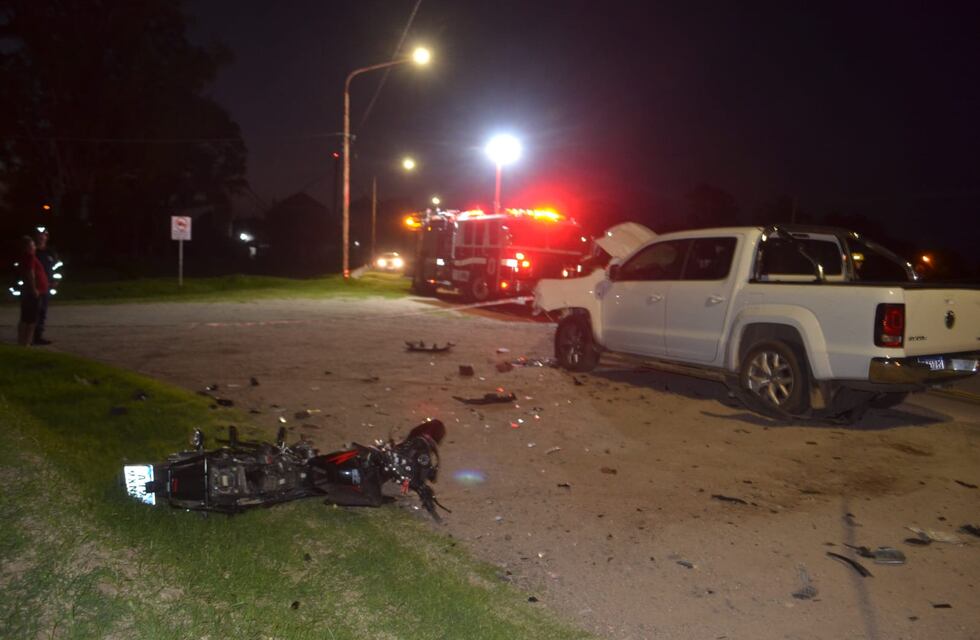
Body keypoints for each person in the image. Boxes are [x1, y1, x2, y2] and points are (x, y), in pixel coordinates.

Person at [15, 235, 49, 346]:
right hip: (32, 293)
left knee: (26, 318)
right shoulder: (29, 257)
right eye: (32, 245)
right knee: (30, 320)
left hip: (33, 291)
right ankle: (26, 343)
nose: (34, 247)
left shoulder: (29, 257)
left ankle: (23, 342)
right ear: (27, 247)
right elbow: (30, 273)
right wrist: (34, 288)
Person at [33, 229, 58, 345]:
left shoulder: (50, 252)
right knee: (34, 311)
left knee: (43, 310)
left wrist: (55, 280)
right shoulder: (32, 251)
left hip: (46, 285)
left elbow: (57, 266)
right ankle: (30, 336)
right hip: (35, 286)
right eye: (40, 235)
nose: (42, 237)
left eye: (44, 235)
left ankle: (38, 336)